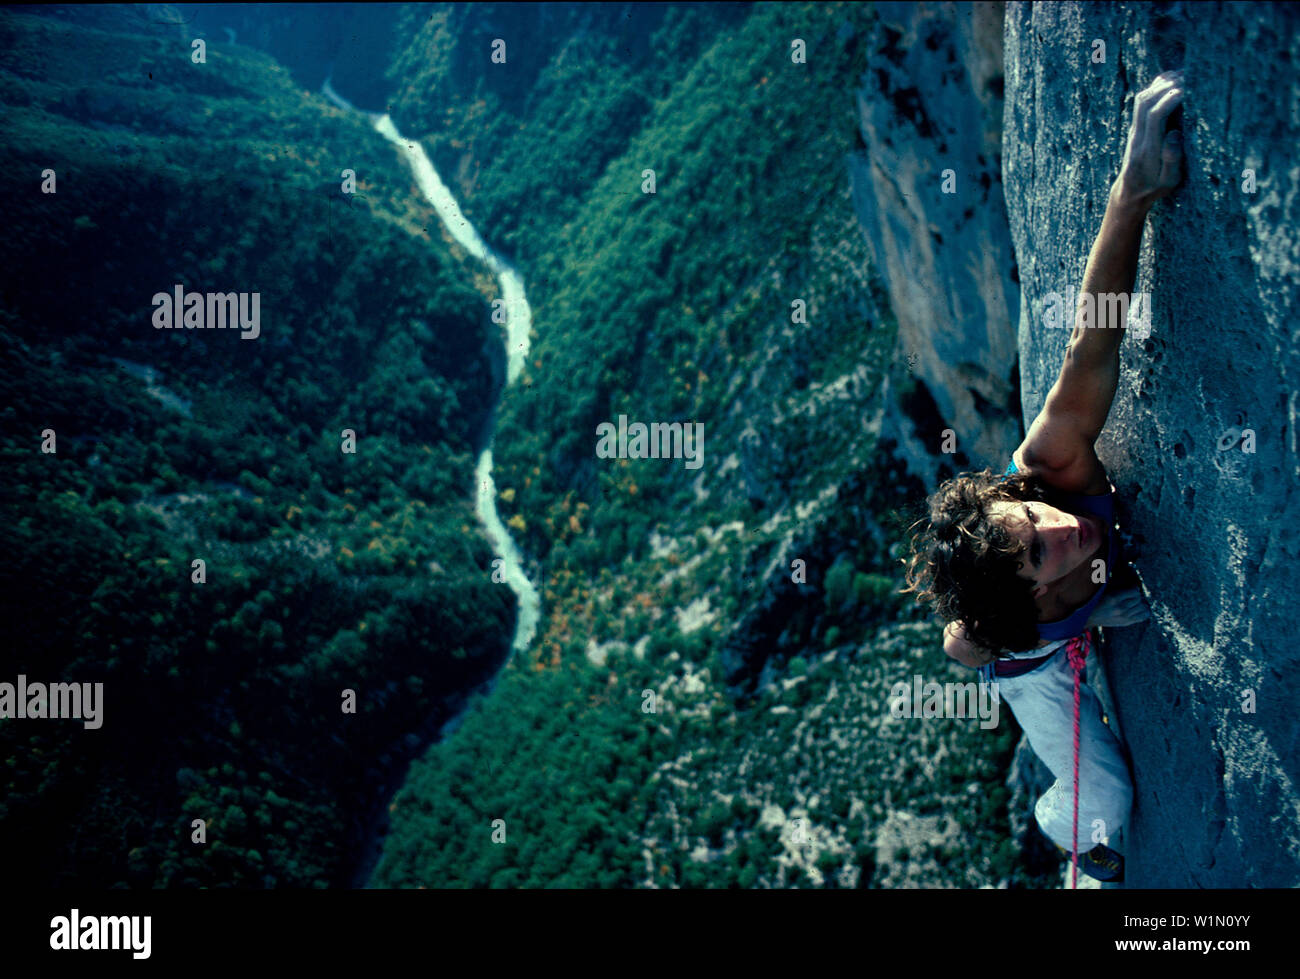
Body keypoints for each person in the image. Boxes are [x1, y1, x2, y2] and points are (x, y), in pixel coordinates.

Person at [902, 69, 1186, 882]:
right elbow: (962, 645)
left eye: (1032, 524)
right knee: (1104, 794)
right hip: (1038, 671)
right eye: (1042, 558)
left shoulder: (1052, 468)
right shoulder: (1007, 635)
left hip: (1067, 627)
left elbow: (1093, 338)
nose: (1064, 531)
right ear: (1028, 601)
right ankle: (1060, 829)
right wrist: (1061, 628)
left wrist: (1131, 193)